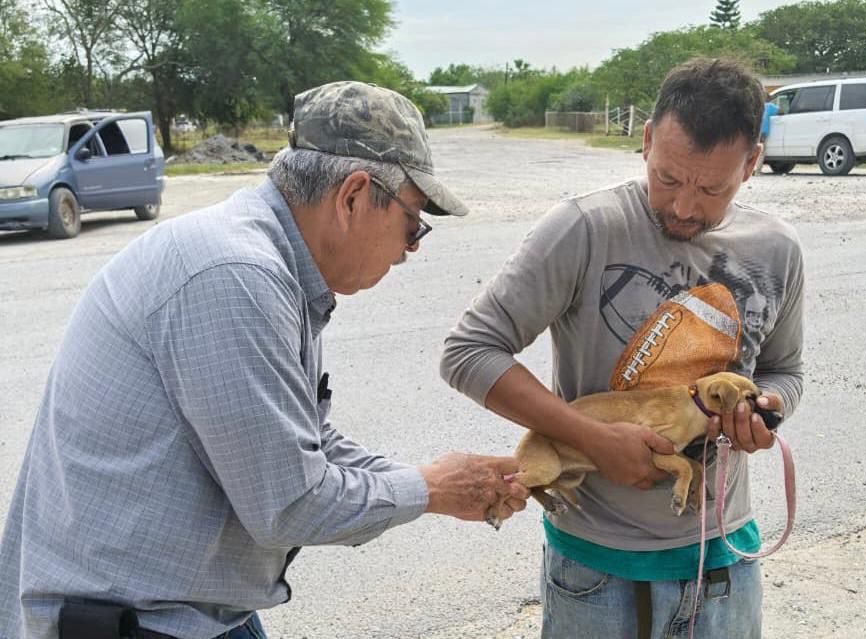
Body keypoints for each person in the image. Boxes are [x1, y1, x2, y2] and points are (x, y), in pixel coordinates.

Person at [0, 82, 529, 639]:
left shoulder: (275, 268)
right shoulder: (235, 276)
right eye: (413, 222)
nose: (412, 247)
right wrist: (432, 488)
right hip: (136, 620)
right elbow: (290, 503)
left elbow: (308, 441)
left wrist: (441, 480)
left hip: (191, 609)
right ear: (352, 197)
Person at [441, 58, 804, 638]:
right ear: (645, 141)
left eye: (712, 188)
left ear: (753, 163)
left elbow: (784, 370)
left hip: (723, 562)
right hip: (596, 573)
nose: (684, 207)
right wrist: (594, 440)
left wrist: (767, 411)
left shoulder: (776, 249)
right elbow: (469, 351)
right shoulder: (586, 228)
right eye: (667, 178)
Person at [753, 98, 780, 175]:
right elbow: (781, 111)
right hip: (763, 132)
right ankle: (757, 171)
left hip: (756, 130)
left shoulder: (757, 106)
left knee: (754, 149)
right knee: (761, 151)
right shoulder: (770, 106)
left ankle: (753, 170)